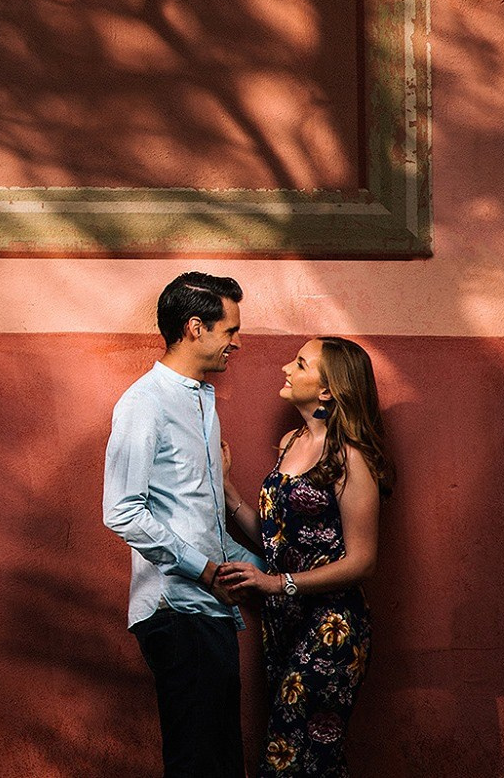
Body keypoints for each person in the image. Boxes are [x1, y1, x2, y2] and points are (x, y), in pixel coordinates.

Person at [104, 271, 260, 778]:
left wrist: (272, 575)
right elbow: (122, 510)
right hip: (177, 608)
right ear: (196, 328)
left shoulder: (200, 401)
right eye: (229, 331)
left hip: (207, 609)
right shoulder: (145, 403)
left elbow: (200, 519)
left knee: (220, 763)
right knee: (198, 764)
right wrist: (205, 570)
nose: (236, 342)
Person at [216, 337, 395, 778]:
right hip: (283, 624)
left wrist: (277, 584)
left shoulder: (350, 458)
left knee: (290, 760)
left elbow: (363, 561)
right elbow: (277, 541)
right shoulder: (290, 442)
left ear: (328, 390)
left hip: (332, 627)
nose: (285, 368)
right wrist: (228, 491)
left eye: (299, 363)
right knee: (312, 762)